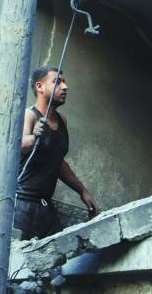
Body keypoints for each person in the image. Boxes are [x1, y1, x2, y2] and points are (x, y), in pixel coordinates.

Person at [14, 67, 99, 241]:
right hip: (22, 204)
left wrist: (82, 191)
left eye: (64, 81)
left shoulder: (62, 121)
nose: (65, 86)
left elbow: (58, 162)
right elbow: (16, 145)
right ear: (40, 87)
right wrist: (34, 137)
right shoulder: (30, 115)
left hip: (45, 208)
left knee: (59, 261)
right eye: (57, 82)